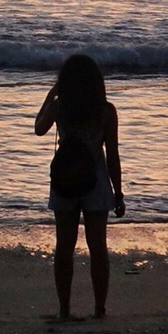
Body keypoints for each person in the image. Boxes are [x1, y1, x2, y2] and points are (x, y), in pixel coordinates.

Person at [34, 53, 124, 320]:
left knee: (64, 247)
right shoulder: (106, 111)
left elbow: (39, 128)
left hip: (64, 179)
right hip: (95, 181)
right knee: (98, 248)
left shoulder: (61, 107)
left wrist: (51, 94)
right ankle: (99, 309)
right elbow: (113, 156)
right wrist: (118, 192)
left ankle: (64, 309)